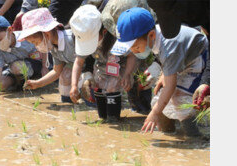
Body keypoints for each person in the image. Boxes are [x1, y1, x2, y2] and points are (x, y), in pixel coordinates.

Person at [111, 7, 209, 137]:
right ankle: (168, 132)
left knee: (180, 99)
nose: (134, 51)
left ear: (151, 35)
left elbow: (171, 85)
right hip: (182, 57)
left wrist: (155, 113)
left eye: (135, 47)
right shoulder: (154, 36)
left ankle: (194, 137)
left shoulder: (168, 45)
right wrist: (164, 73)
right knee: (158, 98)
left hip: (199, 57)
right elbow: (165, 59)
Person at [69, 4, 136, 122]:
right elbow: (79, 62)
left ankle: (114, 117)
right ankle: (103, 117)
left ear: (104, 32)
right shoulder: (82, 35)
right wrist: (74, 85)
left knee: (112, 86)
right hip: (100, 67)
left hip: (120, 66)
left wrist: (128, 74)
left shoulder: (116, 38)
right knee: (97, 86)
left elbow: (131, 55)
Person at [18, 8, 77, 103]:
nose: (36, 46)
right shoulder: (53, 46)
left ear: (47, 34)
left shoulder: (71, 40)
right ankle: (69, 105)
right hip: (77, 71)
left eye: (35, 42)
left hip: (90, 70)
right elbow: (56, 71)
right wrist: (38, 83)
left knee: (67, 74)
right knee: (65, 74)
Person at [0, 15, 43, 95]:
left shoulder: (25, 37)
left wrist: (45, 67)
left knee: (16, 66)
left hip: (36, 66)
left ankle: (35, 80)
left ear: (9, 30)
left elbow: (43, 47)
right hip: (15, 72)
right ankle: (20, 84)